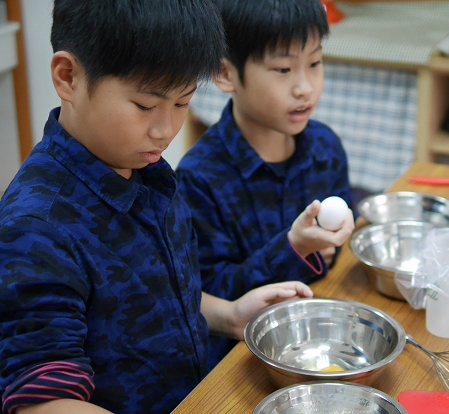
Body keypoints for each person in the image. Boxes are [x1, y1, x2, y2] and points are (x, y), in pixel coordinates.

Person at [0, 1, 313, 413]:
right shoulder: (35, 226)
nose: (165, 130)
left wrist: (229, 315)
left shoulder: (147, 171)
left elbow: (154, 293)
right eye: (146, 106)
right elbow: (44, 400)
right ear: (69, 77)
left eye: (181, 103)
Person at [177, 0, 355, 369]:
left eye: (315, 63)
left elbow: (338, 254)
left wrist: (332, 246)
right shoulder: (201, 175)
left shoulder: (325, 149)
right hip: (240, 359)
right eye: (283, 69)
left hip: (321, 340)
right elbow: (207, 293)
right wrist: (293, 249)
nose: (304, 87)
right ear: (226, 74)